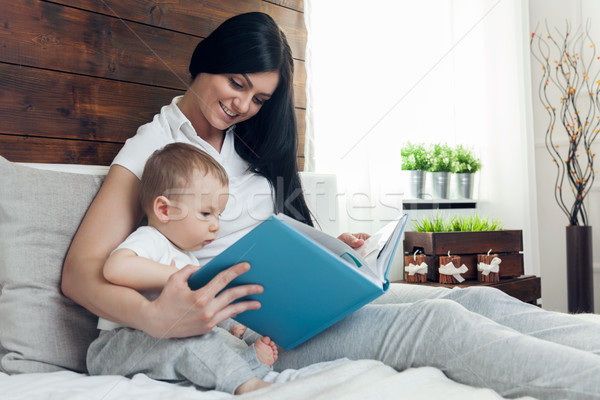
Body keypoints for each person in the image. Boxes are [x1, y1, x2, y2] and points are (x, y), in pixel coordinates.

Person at [62, 12, 600, 400]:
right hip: (251, 327)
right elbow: (81, 276)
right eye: (236, 83)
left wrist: (325, 248)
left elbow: (272, 227)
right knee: (438, 323)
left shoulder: (249, 140)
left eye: (259, 99)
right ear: (206, 61)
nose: (242, 106)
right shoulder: (152, 146)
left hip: (297, 296)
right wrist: (157, 318)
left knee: (479, 300)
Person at [86, 142, 277, 394]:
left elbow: (201, 310)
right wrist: (174, 277)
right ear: (164, 210)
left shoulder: (189, 259)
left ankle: (248, 363)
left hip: (158, 345)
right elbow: (115, 268)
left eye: (218, 215)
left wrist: (233, 328)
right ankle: (247, 384)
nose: (215, 225)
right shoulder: (150, 239)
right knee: (191, 341)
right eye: (206, 213)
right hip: (116, 348)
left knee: (213, 339)